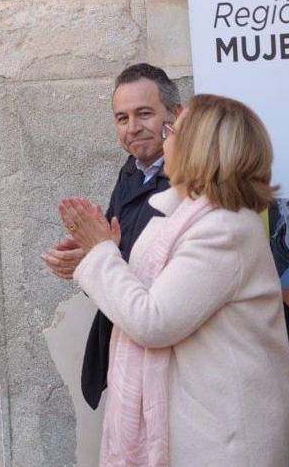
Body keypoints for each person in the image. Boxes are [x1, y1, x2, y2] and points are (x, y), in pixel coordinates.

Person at [59, 93, 289, 466]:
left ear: (199, 148)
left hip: (221, 437)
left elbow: (153, 322)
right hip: (199, 425)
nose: (165, 139)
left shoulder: (222, 229)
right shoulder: (186, 218)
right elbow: (149, 296)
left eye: (173, 130)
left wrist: (102, 253)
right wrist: (96, 253)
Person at [42, 63, 181, 410]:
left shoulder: (194, 183)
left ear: (175, 114)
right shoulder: (132, 171)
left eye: (144, 114)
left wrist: (100, 253)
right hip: (128, 346)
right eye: (122, 118)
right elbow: (114, 249)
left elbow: (167, 280)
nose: (133, 128)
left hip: (171, 360)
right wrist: (84, 258)